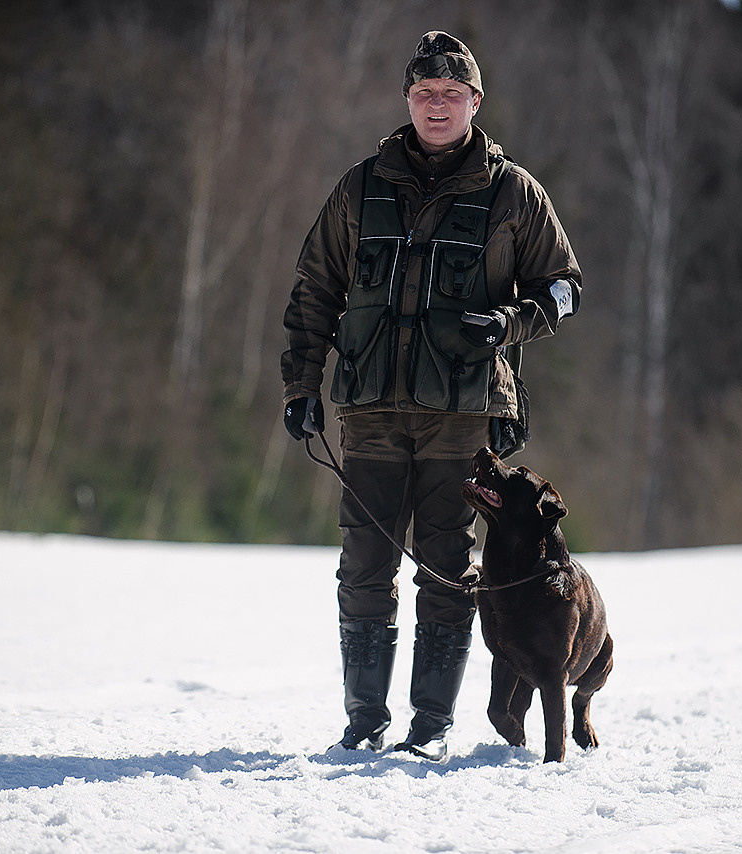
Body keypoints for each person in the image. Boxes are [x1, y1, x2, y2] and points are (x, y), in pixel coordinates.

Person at [280, 31, 582, 761]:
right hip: (371, 412)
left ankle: (431, 726)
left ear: (475, 102)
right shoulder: (360, 186)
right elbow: (315, 288)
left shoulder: (515, 192)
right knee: (364, 564)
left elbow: (566, 290)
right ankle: (363, 721)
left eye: (451, 95)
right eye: (423, 94)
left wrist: (513, 320)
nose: (436, 106)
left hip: (465, 417)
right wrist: (301, 385)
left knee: (448, 565)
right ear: (407, 102)